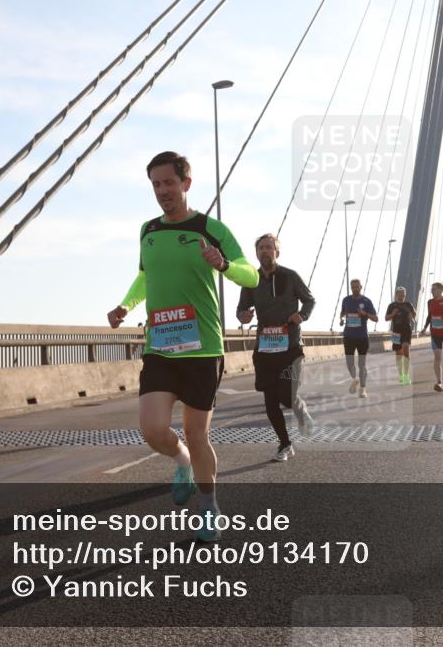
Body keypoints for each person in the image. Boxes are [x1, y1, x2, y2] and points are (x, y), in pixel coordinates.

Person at [107, 151, 259, 542]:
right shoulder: (148, 231)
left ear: (186, 184)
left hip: (203, 349)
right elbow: (144, 277)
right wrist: (127, 305)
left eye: (169, 183)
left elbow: (252, 276)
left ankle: (209, 507)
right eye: (156, 185)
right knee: (153, 429)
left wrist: (224, 264)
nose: (162, 192)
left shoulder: (211, 229)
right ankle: (181, 462)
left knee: (196, 432)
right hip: (160, 346)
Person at [236, 233, 316, 462]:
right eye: (260, 248)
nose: (264, 251)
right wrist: (244, 315)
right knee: (270, 401)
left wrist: (302, 315)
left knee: (287, 395)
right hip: (265, 348)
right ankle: (285, 444)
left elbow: (310, 300)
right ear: (256, 253)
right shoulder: (251, 280)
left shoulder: (290, 277)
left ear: (277, 252)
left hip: (290, 346)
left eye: (269, 247)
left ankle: (300, 410)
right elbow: (241, 308)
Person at [339, 279, 378, 398]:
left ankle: (363, 388)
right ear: (351, 288)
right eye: (353, 287)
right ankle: (354, 379)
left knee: (362, 364)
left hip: (362, 337)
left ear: (361, 287)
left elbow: (376, 318)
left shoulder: (366, 301)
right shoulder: (346, 300)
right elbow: (343, 313)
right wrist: (341, 320)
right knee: (349, 363)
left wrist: (364, 314)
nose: (355, 288)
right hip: (349, 336)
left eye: (357, 287)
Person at [384, 286, 417, 385]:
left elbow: (414, 315)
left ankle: (406, 375)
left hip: (406, 330)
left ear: (405, 295)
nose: (401, 296)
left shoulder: (408, 304)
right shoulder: (392, 305)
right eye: (399, 294)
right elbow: (386, 318)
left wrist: (412, 317)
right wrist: (393, 314)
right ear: (396, 294)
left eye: (403, 294)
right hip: (396, 331)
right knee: (399, 354)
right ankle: (401, 375)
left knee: (406, 350)